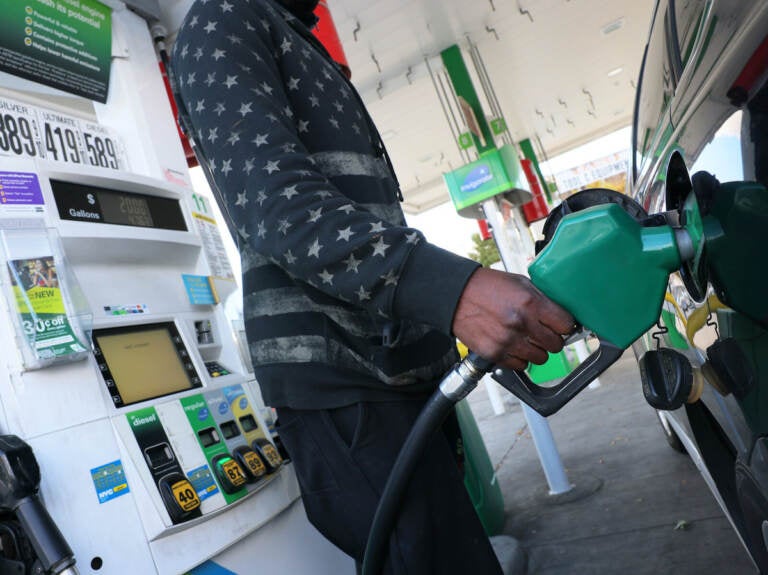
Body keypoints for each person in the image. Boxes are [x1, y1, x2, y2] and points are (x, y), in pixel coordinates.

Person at [170, 1, 573, 572]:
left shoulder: (292, 34)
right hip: (345, 387)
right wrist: (454, 291)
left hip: (391, 374)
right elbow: (280, 207)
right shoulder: (226, 17)